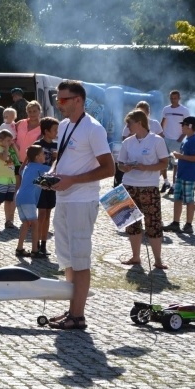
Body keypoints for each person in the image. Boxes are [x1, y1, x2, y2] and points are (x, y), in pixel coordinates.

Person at [47, 80, 114, 330]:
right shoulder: (64, 126)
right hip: (63, 198)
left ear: (78, 100)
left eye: (63, 99)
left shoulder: (94, 129)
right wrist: (52, 175)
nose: (58, 103)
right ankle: (71, 310)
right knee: (67, 259)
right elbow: (62, 159)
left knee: (80, 259)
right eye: (58, 98)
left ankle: (78, 316)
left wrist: (72, 180)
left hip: (82, 200)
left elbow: (109, 168)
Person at [117, 109, 170, 270]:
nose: (127, 127)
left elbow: (164, 163)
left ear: (139, 123)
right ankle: (135, 257)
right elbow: (119, 164)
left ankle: (158, 260)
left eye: (129, 123)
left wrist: (145, 167)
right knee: (131, 224)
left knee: (153, 223)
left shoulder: (157, 141)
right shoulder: (128, 142)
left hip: (149, 187)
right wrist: (125, 168)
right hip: (129, 185)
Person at [163, 117, 195, 234]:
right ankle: (176, 223)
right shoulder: (187, 138)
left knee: (189, 200)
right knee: (177, 199)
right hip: (182, 174)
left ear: (190, 126)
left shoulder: (194, 140)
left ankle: (188, 225)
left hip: (189, 175)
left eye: (183, 125)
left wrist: (181, 156)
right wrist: (179, 156)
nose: (181, 127)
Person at [15, 145, 49, 257]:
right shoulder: (40, 167)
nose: (45, 156)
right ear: (37, 157)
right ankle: (35, 250)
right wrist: (58, 159)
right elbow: (54, 171)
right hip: (28, 199)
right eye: (43, 153)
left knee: (26, 223)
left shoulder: (27, 166)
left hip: (19, 197)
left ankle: (19, 248)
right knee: (35, 224)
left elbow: (20, 171)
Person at [34, 117, 59, 256]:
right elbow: (31, 163)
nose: (57, 132)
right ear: (46, 131)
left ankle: (44, 244)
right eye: (54, 130)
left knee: (48, 214)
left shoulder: (57, 146)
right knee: (41, 214)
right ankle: (36, 244)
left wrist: (58, 158)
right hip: (41, 183)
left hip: (52, 183)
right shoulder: (38, 145)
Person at [160, 90, 190, 194]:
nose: (173, 100)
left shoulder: (184, 110)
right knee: (163, 161)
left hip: (177, 140)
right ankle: (165, 182)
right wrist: (161, 134)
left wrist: (182, 137)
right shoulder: (166, 109)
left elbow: (188, 125)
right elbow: (162, 122)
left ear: (179, 98)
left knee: (176, 164)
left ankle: (174, 185)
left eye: (175, 98)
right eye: (171, 98)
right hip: (166, 139)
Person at [0, 130, 17, 230]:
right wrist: (6, 148)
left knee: (9, 200)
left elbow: (18, 156)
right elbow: (4, 158)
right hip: (2, 178)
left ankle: (8, 220)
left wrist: (13, 147)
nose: (10, 142)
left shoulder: (9, 148)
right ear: (1, 140)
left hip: (11, 178)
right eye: (8, 140)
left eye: (11, 140)